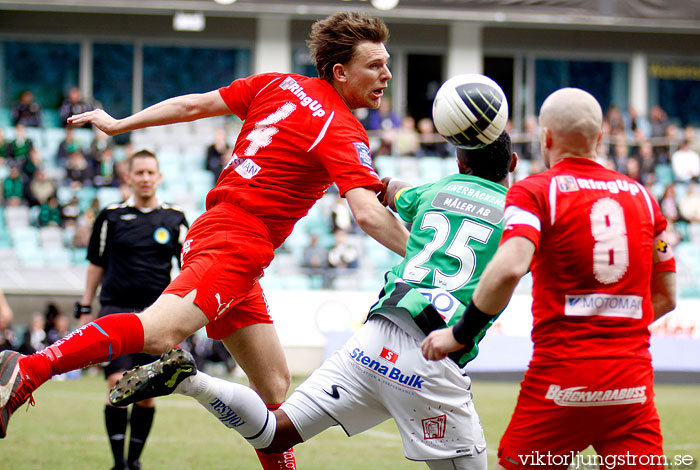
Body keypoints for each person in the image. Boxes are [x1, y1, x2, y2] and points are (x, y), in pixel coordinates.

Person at [0, 12, 409, 470]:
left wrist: (121, 125)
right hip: (237, 240)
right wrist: (426, 258)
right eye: (375, 65)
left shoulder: (278, 84)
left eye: (386, 64)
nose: (387, 75)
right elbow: (370, 215)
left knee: (274, 390)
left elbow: (193, 105)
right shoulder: (340, 127)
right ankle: (30, 369)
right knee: (157, 332)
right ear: (340, 71)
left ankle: (188, 380)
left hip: (228, 235)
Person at [107, 132, 517, 470]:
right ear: (513, 163)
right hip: (433, 351)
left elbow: (386, 192)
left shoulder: (438, 189)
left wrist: (353, 167)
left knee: (274, 432)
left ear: (460, 163)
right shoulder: (518, 213)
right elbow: (513, 270)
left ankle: (193, 383)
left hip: (372, 338)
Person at [421, 88, 677, 470]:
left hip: (562, 381)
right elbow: (667, 296)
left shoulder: (535, 192)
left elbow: (510, 266)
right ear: (599, 138)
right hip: (632, 385)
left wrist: (459, 334)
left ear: (546, 137)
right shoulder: (643, 198)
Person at [74, 149, 188, 470]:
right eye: (139, 173)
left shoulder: (175, 219)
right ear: (128, 178)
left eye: (151, 173)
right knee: (116, 384)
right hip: (115, 310)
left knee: (148, 392)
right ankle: (118, 464)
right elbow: (96, 265)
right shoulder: (110, 217)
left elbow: (189, 267)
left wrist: (184, 314)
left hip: (158, 315)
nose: (145, 179)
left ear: (159, 177)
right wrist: (85, 306)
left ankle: (135, 462)